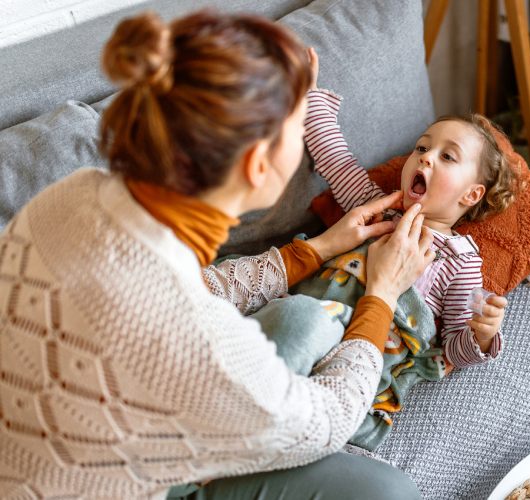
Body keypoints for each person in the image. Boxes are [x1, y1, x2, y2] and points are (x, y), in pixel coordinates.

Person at [0, 10, 430, 500]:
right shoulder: (201, 343)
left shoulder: (79, 193)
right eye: (301, 124)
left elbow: (180, 288)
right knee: (388, 492)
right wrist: (383, 294)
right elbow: (329, 420)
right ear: (258, 164)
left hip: (45, 435)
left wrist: (317, 248)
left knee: (304, 321)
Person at [303, 47, 513, 368]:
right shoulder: (374, 206)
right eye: (422, 147)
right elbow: (335, 159)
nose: (426, 157)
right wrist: (310, 96)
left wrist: (482, 334)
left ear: (471, 195)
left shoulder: (459, 262)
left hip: (362, 356)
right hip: (311, 314)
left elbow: (452, 350)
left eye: (447, 156)